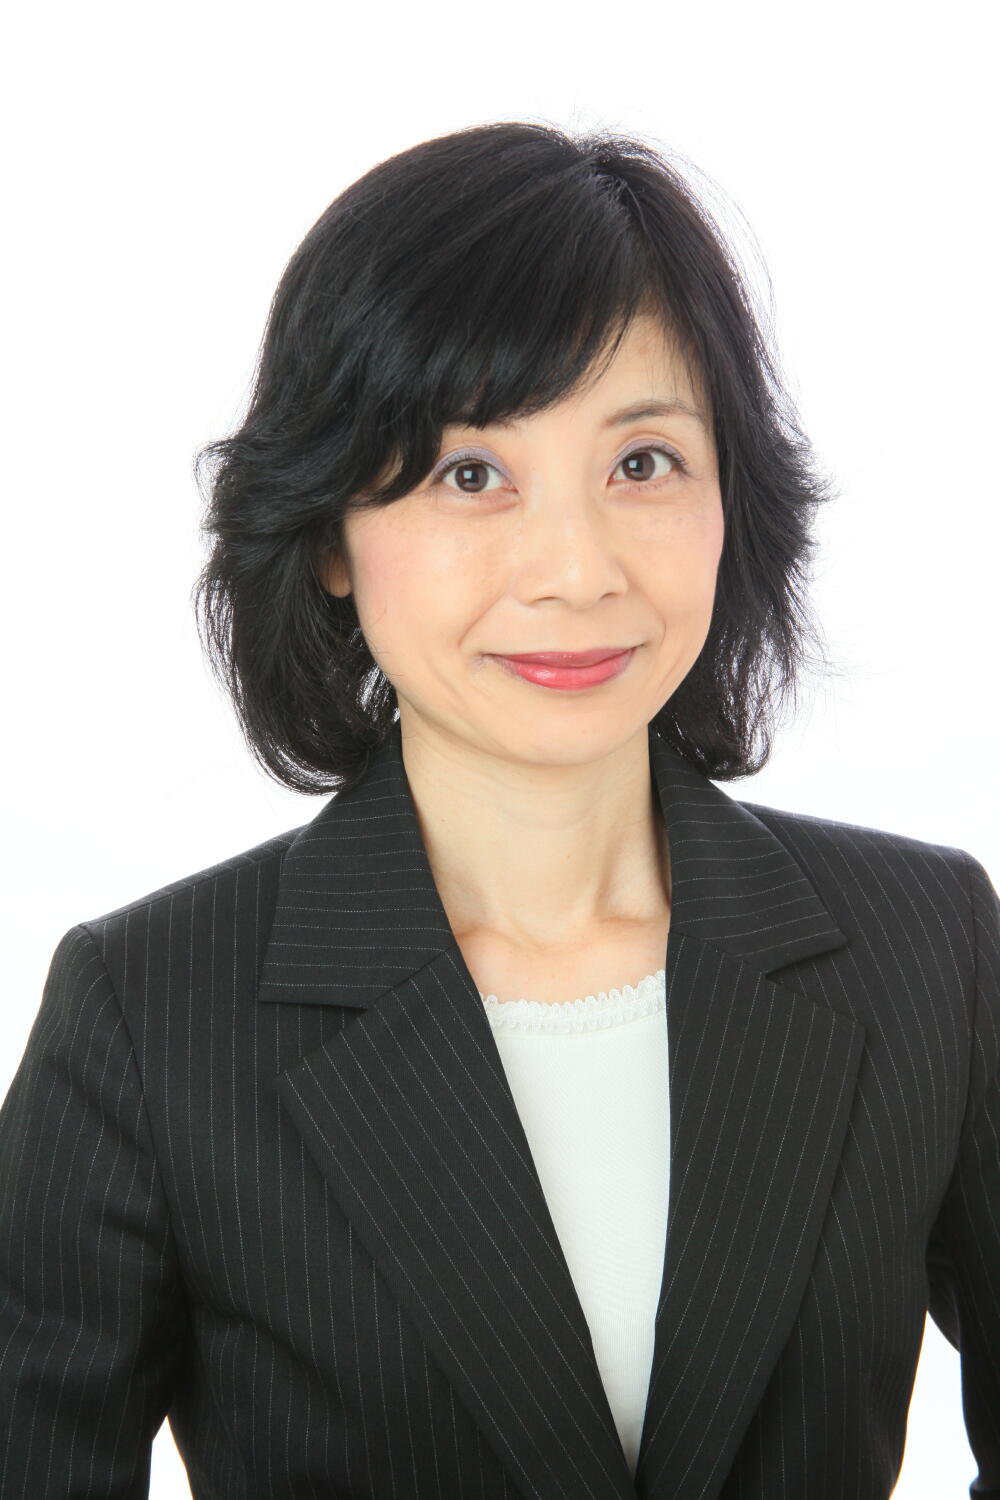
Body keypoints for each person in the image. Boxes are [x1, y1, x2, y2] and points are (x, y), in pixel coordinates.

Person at [1, 119, 997, 1500]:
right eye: (472, 474)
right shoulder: (149, 1012)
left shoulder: (929, 944)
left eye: (642, 464)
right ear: (331, 535)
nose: (576, 570)